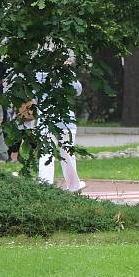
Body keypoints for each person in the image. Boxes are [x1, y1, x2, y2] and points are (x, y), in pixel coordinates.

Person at [36, 56, 85, 192]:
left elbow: (34, 95)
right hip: (66, 121)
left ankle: (45, 184)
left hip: (45, 121)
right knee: (67, 154)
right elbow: (77, 90)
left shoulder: (39, 74)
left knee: (46, 153)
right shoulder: (66, 74)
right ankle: (74, 186)